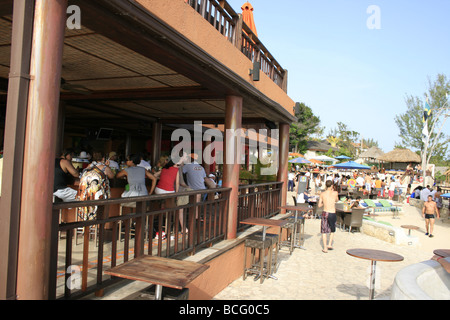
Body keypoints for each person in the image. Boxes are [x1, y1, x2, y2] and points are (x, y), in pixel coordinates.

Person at [77, 152, 115, 220]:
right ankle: (99, 222)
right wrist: (108, 166)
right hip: (97, 193)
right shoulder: (104, 168)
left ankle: (85, 221)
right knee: (105, 198)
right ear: (103, 158)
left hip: (85, 193)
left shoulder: (89, 166)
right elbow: (112, 176)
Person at [318, 180, 339, 253]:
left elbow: (319, 205)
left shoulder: (322, 194)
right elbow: (336, 200)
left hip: (325, 212)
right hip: (332, 212)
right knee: (332, 229)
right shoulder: (335, 193)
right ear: (332, 186)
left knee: (324, 231)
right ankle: (329, 244)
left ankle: (325, 248)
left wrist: (325, 202)